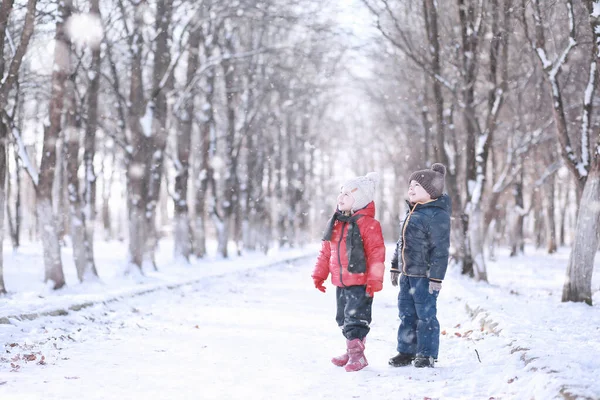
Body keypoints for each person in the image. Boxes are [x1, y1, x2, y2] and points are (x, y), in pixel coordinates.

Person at [311, 172, 385, 372]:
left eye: (346, 195)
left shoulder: (368, 225)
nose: (340, 198)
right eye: (340, 193)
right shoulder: (336, 223)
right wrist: (319, 275)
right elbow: (326, 252)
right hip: (341, 282)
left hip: (360, 283)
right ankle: (352, 350)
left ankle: (357, 356)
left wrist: (375, 279)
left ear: (359, 202)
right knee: (343, 318)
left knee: (356, 319)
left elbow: (377, 254)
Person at [388, 163, 451, 368]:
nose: (411, 189)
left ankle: (426, 353)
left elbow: (440, 250)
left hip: (424, 277)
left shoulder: (436, 215)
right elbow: (401, 243)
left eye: (417, 185)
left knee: (425, 316)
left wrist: (436, 277)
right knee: (406, 314)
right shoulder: (411, 213)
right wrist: (395, 266)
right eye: (410, 185)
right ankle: (406, 351)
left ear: (431, 191)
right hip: (407, 275)